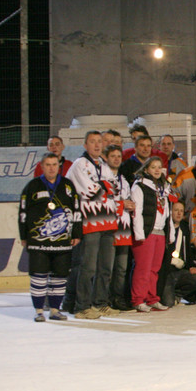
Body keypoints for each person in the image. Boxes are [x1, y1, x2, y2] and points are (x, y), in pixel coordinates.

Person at [19, 152, 82, 322]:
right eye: (48, 165)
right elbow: (23, 212)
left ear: (59, 166)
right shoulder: (32, 186)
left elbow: (76, 210)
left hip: (62, 241)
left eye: (54, 164)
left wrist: (77, 233)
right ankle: (39, 311)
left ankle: (54, 310)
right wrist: (24, 235)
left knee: (59, 277)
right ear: (42, 166)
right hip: (38, 241)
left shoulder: (68, 185)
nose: (52, 168)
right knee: (38, 276)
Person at [65, 130, 119, 319]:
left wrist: (103, 187)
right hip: (90, 222)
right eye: (92, 142)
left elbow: (115, 188)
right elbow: (90, 191)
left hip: (108, 221)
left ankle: (100, 303)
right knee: (87, 267)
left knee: (105, 268)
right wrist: (104, 187)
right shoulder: (79, 164)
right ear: (85, 145)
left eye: (99, 141)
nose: (97, 145)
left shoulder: (103, 165)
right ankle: (82, 306)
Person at [129, 156, 173, 312]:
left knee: (154, 269)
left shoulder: (163, 188)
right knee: (143, 268)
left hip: (160, 232)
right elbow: (137, 212)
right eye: (153, 167)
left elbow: (168, 213)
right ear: (146, 169)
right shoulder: (139, 186)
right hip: (146, 233)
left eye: (159, 167)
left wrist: (170, 233)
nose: (157, 170)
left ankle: (151, 298)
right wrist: (139, 233)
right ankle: (138, 299)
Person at [157, 200, 196, 307]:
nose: (179, 213)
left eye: (181, 211)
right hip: (166, 273)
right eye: (176, 210)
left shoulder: (185, 229)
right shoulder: (164, 228)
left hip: (180, 271)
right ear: (170, 212)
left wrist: (191, 266)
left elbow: (188, 250)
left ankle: (177, 295)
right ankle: (168, 294)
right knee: (168, 303)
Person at [105, 144, 135, 312]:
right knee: (107, 267)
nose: (116, 159)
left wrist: (130, 205)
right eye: (113, 156)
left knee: (122, 268)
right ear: (106, 158)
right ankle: (104, 298)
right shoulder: (102, 177)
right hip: (108, 228)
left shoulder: (123, 179)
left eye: (118, 156)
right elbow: (102, 201)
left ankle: (117, 298)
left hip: (124, 228)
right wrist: (122, 204)